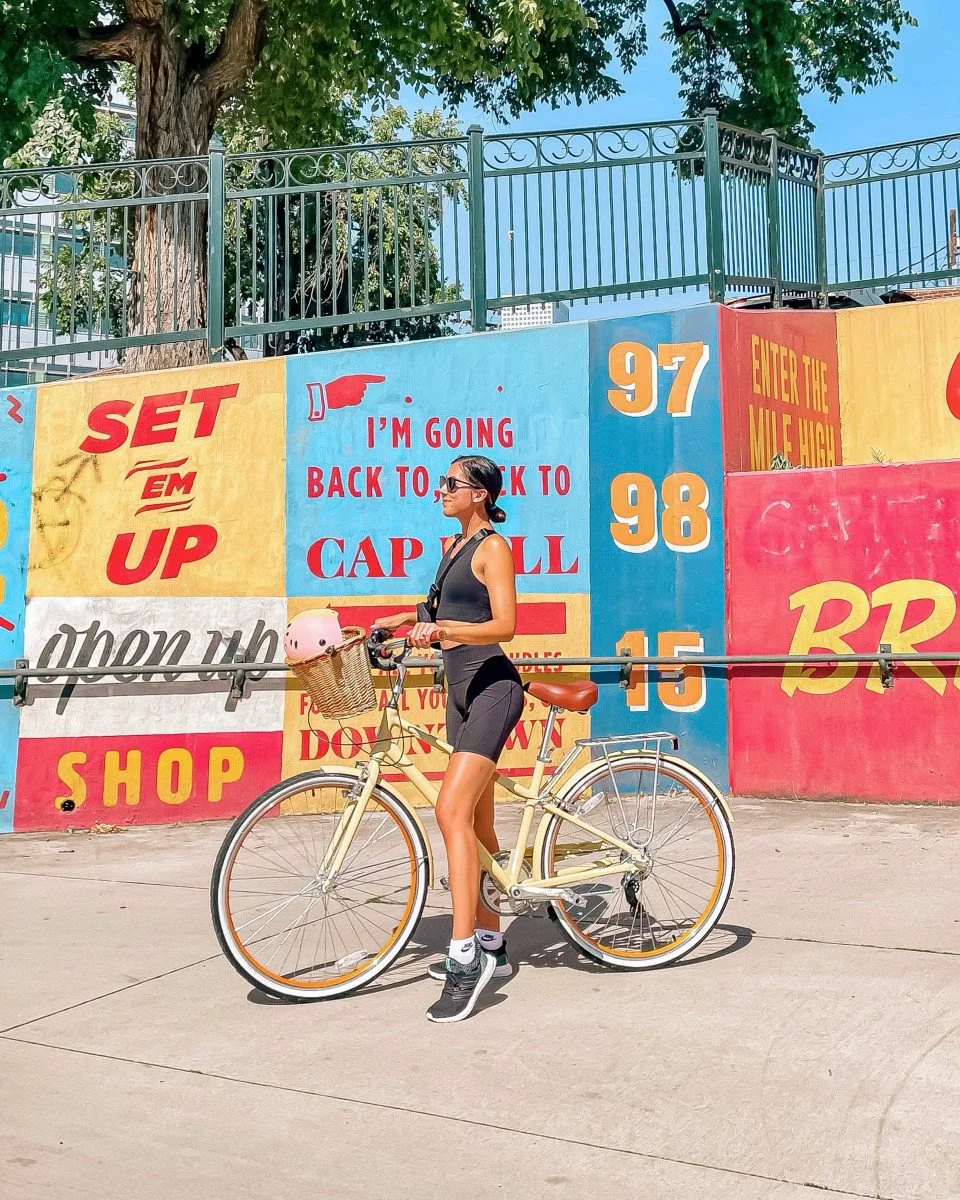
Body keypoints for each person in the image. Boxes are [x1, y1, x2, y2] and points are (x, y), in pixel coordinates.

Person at [373, 455, 524, 1023]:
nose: (441, 490)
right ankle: (493, 947)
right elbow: (429, 612)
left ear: (480, 494)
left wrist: (448, 630)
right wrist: (389, 624)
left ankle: (464, 958)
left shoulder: (493, 548)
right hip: (457, 689)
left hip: (492, 687)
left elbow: (505, 624)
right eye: (442, 483)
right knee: (479, 828)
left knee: (449, 812)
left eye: (452, 484)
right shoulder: (452, 548)